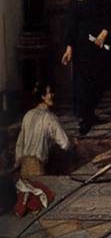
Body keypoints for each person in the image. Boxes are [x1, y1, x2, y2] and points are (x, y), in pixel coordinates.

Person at [61, 0, 111, 137]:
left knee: (102, 79)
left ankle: (91, 113)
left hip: (100, 47)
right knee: (83, 84)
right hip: (82, 49)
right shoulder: (74, 3)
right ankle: (84, 118)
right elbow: (70, 28)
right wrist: (69, 48)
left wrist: (104, 32)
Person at [13, 83, 70, 217]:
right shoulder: (49, 117)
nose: (53, 95)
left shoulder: (28, 114)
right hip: (37, 166)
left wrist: (17, 164)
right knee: (44, 201)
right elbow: (65, 143)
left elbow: (20, 143)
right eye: (50, 93)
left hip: (24, 165)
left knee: (28, 195)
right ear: (43, 96)